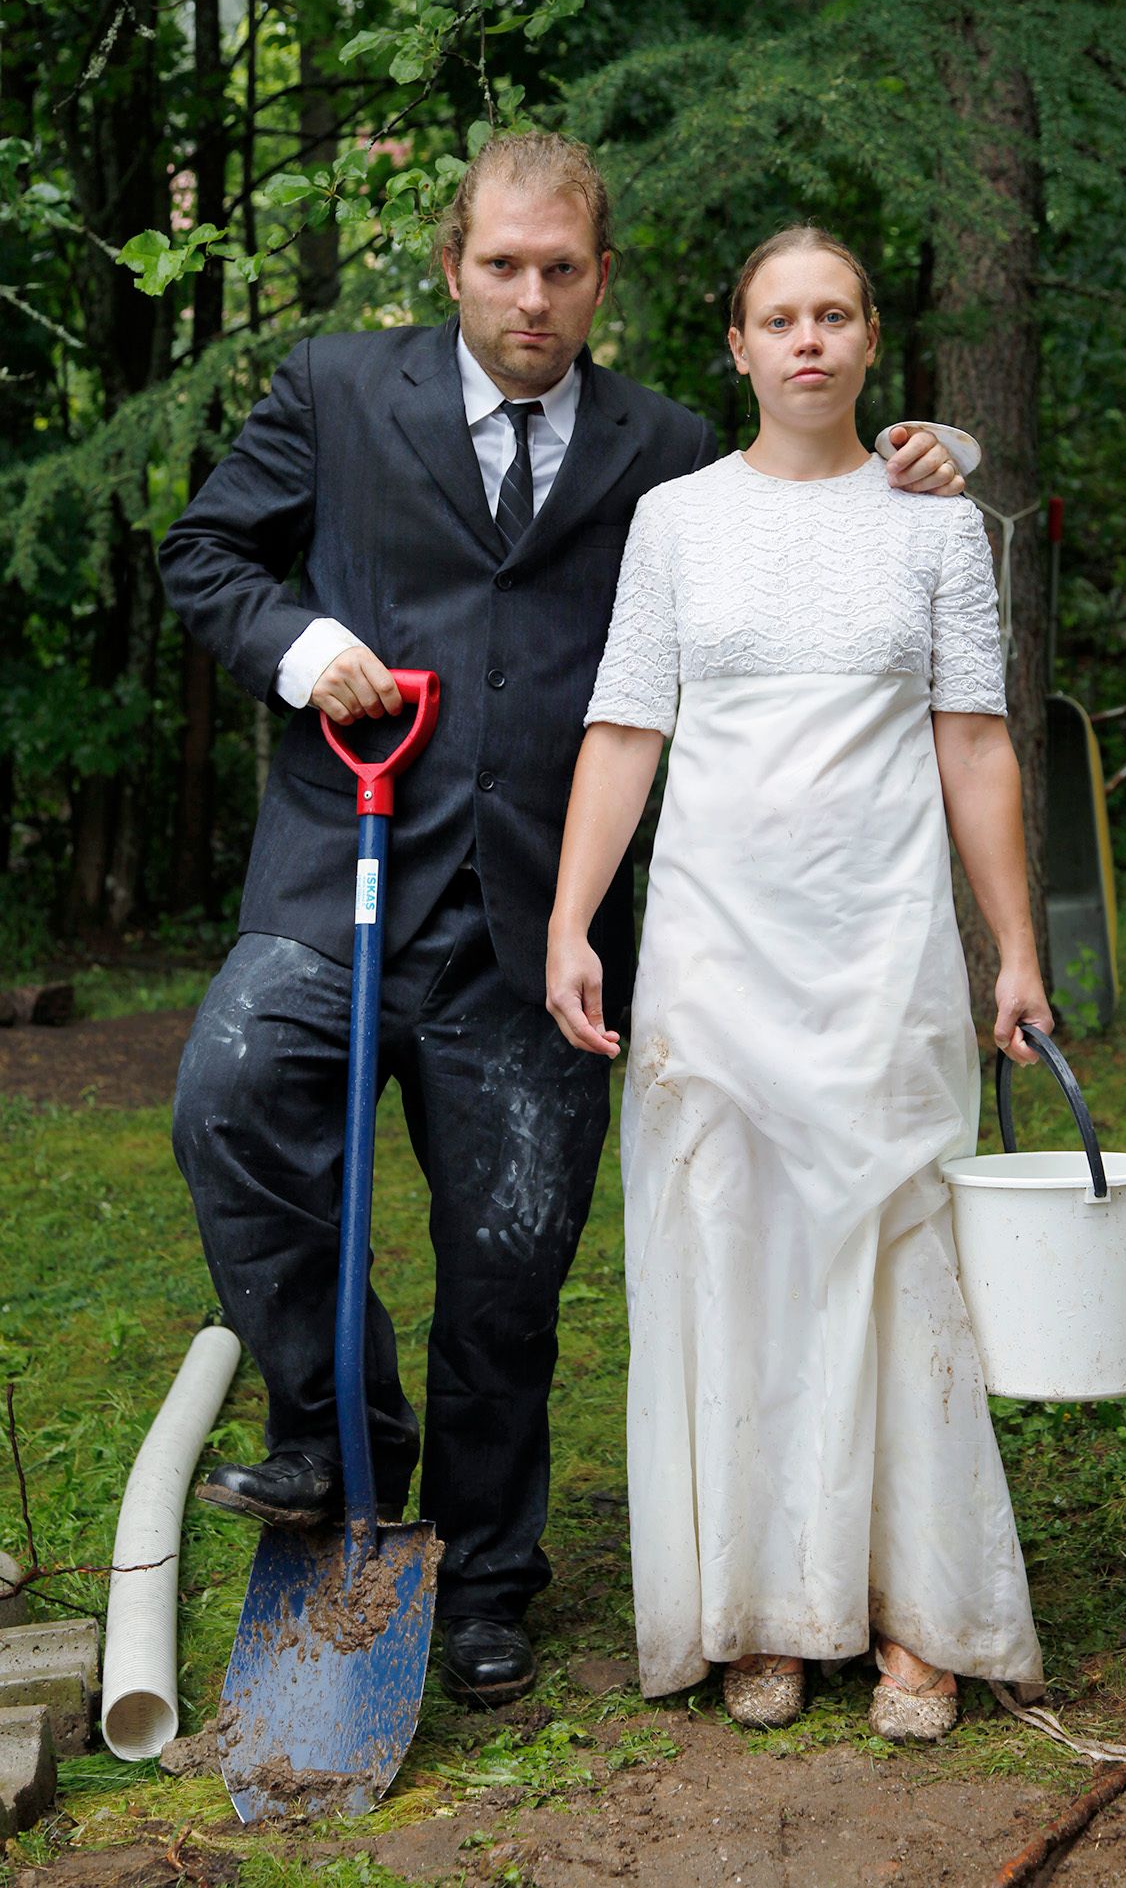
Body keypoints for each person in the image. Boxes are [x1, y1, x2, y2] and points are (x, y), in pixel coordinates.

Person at [159, 132, 975, 1712]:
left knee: (510, 1258)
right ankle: (334, 1429)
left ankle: (483, 1574)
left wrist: (937, 457)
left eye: (559, 270)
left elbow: (801, 503)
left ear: (601, 280)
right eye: (500, 266)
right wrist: (300, 645)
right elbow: (206, 551)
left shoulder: (660, 447)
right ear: (452, 266)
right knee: (230, 1100)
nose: (528, 296)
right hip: (342, 875)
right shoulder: (336, 390)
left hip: (540, 914)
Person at [546, 224, 1050, 1740]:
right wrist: (574, 922)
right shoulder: (676, 521)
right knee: (732, 1254)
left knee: (896, 1259)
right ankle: (761, 1606)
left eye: (834, 314)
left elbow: (975, 740)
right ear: (740, 345)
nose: (809, 340)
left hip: (882, 953)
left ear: (871, 337)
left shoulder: (935, 529)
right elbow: (624, 730)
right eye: (781, 318)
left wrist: (1017, 948)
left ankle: (915, 1616)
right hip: (714, 954)